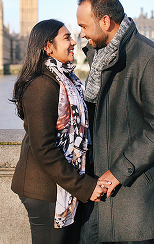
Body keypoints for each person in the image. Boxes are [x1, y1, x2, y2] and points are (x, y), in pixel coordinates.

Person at [76, 0, 154, 244]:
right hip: (98, 192)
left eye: (83, 26)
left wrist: (119, 172)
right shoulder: (100, 58)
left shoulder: (151, 59)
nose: (82, 34)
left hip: (135, 196)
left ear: (105, 22)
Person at [11, 19, 110, 244]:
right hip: (44, 190)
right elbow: (44, 149)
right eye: (66, 38)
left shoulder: (65, 80)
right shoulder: (41, 86)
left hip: (63, 187)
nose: (73, 41)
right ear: (48, 47)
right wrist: (85, 187)